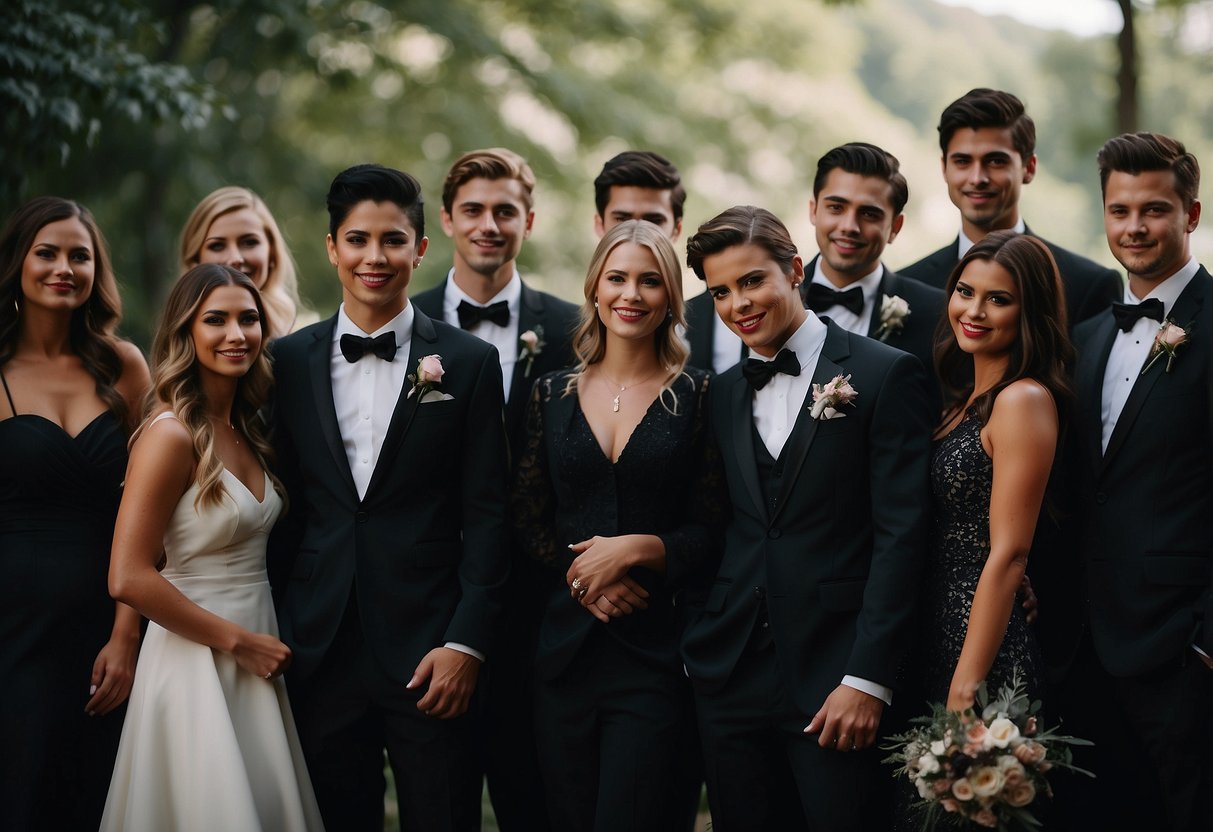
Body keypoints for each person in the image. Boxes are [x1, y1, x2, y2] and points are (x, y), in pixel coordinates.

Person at [269, 164, 510, 831]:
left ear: (421, 249)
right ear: (330, 247)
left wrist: (466, 642)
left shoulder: (465, 362)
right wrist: (281, 627)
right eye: (357, 239)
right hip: (317, 647)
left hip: (430, 649)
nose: (374, 257)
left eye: (392, 240)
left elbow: (487, 515)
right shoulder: (285, 361)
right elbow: (281, 510)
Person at [682, 206, 932, 831]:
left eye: (751, 281)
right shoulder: (726, 390)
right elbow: (724, 527)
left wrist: (869, 678)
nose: (738, 303)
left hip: (836, 675)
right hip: (731, 676)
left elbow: (903, 536)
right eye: (719, 291)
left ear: (795, 269)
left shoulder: (883, 374)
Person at [511, 219, 724, 831]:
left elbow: (714, 526)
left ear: (671, 298)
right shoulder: (549, 393)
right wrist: (585, 576)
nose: (632, 294)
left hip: (656, 652)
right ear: (595, 288)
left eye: (650, 281)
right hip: (562, 656)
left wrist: (642, 549)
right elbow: (526, 514)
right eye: (618, 278)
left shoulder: (702, 394)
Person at [102, 263, 322, 831]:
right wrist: (238, 642)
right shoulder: (170, 434)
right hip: (195, 655)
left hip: (258, 644)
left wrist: (255, 644)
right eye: (216, 320)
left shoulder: (249, 429)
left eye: (248, 319)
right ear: (186, 333)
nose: (236, 334)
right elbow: (128, 575)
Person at [411, 147, 577, 832]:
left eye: (504, 211)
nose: (489, 224)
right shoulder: (403, 324)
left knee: (532, 798)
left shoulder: (574, 329)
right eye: (472, 210)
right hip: (429, 603)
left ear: (528, 221)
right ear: (447, 219)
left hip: (543, 606)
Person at [1055, 132, 1212, 832]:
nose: (1134, 227)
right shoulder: (1084, 337)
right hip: (1081, 645)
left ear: (1191, 215)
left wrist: (1205, 640)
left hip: (1182, 650)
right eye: (1119, 211)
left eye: (1154, 209)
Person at [0, 196, 148, 832]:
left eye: (80, 256)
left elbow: (147, 514)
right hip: (11, 626)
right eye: (48, 253)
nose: (64, 267)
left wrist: (126, 634)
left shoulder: (123, 366)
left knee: (94, 793)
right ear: (17, 264)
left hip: (102, 622)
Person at [901, 88, 1121, 327]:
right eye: (962, 161)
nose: (977, 178)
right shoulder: (905, 286)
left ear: (1029, 167)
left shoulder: (1088, 285)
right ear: (944, 168)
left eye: (996, 161)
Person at [802, 142, 945, 400]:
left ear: (895, 227)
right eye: (836, 207)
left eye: (869, 214)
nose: (849, 226)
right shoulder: (770, 300)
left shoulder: (938, 315)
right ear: (814, 210)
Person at [592, 150, 745, 373]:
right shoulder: (562, 338)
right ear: (599, 224)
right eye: (622, 219)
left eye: (654, 220)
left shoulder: (726, 312)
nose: (638, 231)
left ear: (677, 229)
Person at [179, 185, 309, 339]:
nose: (235, 258)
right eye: (217, 246)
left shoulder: (301, 345)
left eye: (249, 242)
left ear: (272, 254)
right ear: (195, 261)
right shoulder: (176, 340)